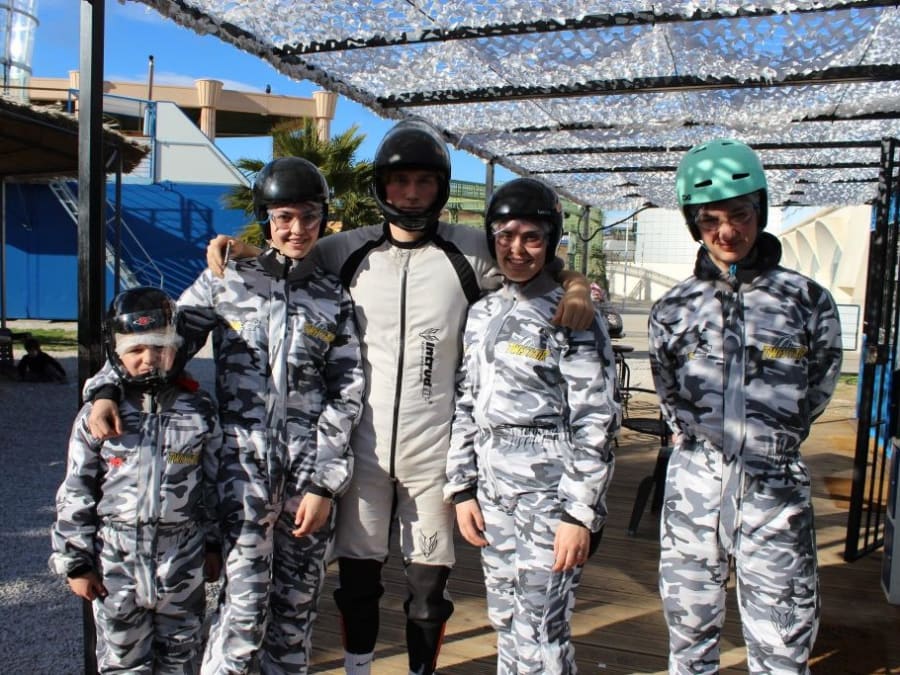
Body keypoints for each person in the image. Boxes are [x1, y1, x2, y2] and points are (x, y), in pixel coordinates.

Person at [206, 119, 594, 675]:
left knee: (427, 590)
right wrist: (241, 248)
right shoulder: (345, 249)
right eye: (400, 182)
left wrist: (576, 286)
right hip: (363, 449)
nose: (411, 194)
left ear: (440, 188)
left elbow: (533, 258)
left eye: (424, 182)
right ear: (381, 188)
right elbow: (284, 260)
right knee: (357, 583)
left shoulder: (470, 250)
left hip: (433, 451)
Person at [85, 157, 366, 674]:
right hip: (241, 471)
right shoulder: (226, 282)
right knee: (243, 607)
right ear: (265, 219)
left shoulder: (333, 298)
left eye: (309, 216)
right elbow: (158, 342)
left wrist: (324, 484)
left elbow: (346, 393)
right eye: (284, 217)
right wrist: (105, 387)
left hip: (307, 476)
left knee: (296, 610)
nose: (297, 229)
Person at [648, 138, 843, 674]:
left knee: (783, 646)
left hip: (774, 487)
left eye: (740, 214)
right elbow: (667, 388)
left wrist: (771, 437)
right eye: (710, 220)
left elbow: (821, 381)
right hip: (694, 489)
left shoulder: (806, 300)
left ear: (761, 210)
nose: (727, 231)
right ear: (694, 225)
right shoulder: (673, 308)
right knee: (689, 640)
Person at [444, 178, 619, 673]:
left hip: (551, 497)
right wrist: (462, 487)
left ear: (551, 241)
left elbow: (596, 419)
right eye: (506, 236)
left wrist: (579, 514)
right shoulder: (483, 312)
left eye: (532, 238)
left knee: (541, 629)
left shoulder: (571, 313)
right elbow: (466, 402)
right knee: (505, 619)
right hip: (493, 494)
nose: (517, 249)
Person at [49, 287, 223, 673]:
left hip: (181, 561)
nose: (148, 359)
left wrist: (213, 544)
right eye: (136, 350)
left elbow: (213, 485)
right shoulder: (98, 416)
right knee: (123, 662)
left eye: (159, 347)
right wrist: (75, 561)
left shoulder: (199, 411)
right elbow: (76, 489)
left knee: (181, 657)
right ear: (116, 353)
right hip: (116, 563)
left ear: (177, 348)